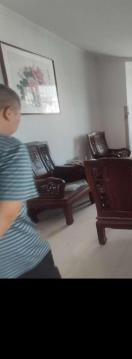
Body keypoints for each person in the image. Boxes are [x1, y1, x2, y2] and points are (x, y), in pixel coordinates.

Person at [0, 84, 61, 278]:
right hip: (20, 260)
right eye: (19, 114)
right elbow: (6, 215)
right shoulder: (10, 148)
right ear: (8, 112)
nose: (19, 120)